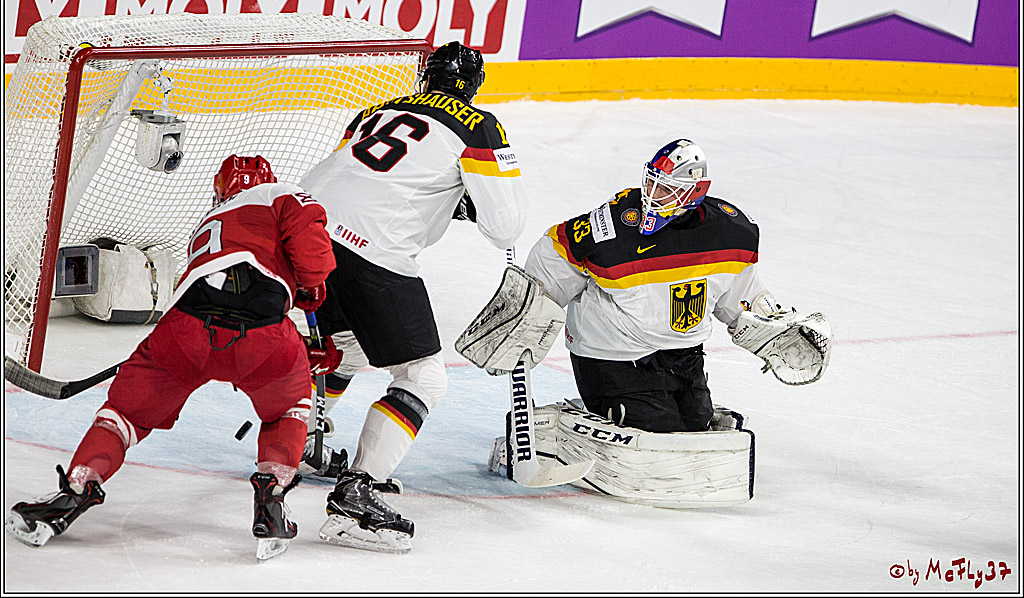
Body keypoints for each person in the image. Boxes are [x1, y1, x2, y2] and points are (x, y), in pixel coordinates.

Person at [4, 155, 335, 561]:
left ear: (220, 189)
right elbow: (312, 252)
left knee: (124, 414)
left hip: (183, 332)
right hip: (263, 337)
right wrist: (310, 289)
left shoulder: (211, 221)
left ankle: (74, 490)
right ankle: (271, 500)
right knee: (289, 408)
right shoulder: (279, 194)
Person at [298, 41, 528, 553]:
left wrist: (448, 196)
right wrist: (468, 197)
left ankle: (302, 443)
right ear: (472, 86)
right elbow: (506, 226)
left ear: (426, 77)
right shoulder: (477, 124)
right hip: (369, 246)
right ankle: (355, 496)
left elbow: (368, 175)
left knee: (345, 345)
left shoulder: (374, 111)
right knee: (424, 376)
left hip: (300, 233)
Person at [522, 138, 831, 434]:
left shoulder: (728, 232)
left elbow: (738, 292)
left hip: (683, 355)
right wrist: (526, 308)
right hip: (611, 356)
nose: (652, 195)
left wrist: (768, 320)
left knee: (695, 423)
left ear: (696, 192)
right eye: (652, 182)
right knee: (660, 431)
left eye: (666, 189)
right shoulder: (613, 227)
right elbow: (555, 255)